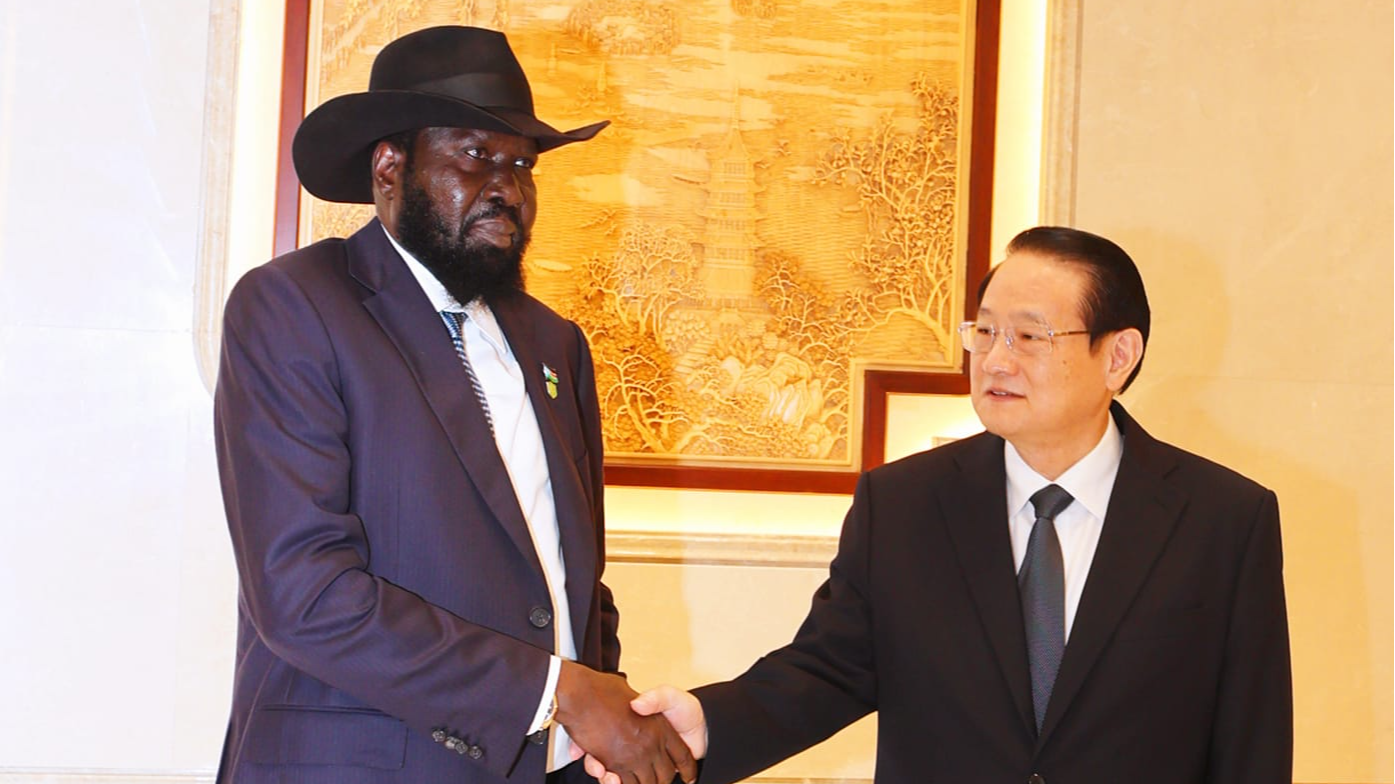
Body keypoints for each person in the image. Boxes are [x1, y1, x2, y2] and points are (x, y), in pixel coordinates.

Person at [591, 226, 1293, 783]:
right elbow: (827, 671)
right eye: (983, 331)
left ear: (1118, 356)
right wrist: (700, 725)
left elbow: (1251, 743)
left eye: (1029, 335)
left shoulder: (1221, 521)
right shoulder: (903, 505)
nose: (994, 360)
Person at [213, 25, 695, 784]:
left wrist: (595, 728)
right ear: (389, 167)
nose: (507, 187)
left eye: (522, 166)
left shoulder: (555, 343)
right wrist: (557, 694)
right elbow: (304, 593)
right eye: (475, 156)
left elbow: (573, 581)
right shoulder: (294, 306)